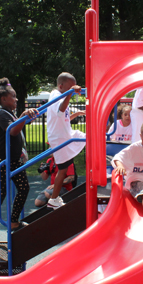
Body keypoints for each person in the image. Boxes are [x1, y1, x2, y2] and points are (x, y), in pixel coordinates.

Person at [0, 78, 38, 248]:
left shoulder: (10, 114)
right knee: (2, 193)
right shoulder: (1, 114)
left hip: (13, 159)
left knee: (24, 187)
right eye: (13, 96)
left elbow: (17, 128)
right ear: (4, 99)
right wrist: (22, 117)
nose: (16, 99)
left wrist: (27, 117)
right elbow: (12, 131)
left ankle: (13, 221)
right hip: (1, 159)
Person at [46, 72, 86, 209]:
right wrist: (70, 93)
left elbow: (64, 118)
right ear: (61, 86)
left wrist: (78, 113)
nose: (72, 91)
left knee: (84, 137)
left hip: (65, 135)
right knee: (62, 170)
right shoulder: (56, 95)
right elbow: (60, 110)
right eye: (70, 88)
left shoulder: (61, 96)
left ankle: (54, 199)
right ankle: (53, 200)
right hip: (59, 138)